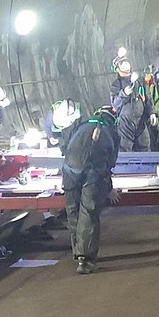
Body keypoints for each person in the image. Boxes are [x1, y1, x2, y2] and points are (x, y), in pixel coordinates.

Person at [62, 106, 120, 273]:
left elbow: (64, 146)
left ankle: (78, 253)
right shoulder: (111, 133)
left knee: (73, 212)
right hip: (92, 173)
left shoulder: (81, 124)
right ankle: (85, 260)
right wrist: (109, 188)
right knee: (88, 213)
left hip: (69, 170)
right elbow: (108, 164)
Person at [110, 55, 156, 151]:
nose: (126, 64)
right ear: (117, 69)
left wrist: (152, 113)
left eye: (126, 62)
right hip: (125, 123)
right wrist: (124, 93)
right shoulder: (116, 85)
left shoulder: (140, 81)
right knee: (125, 148)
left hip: (141, 121)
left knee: (145, 146)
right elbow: (115, 104)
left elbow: (148, 97)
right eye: (122, 63)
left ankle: (145, 166)